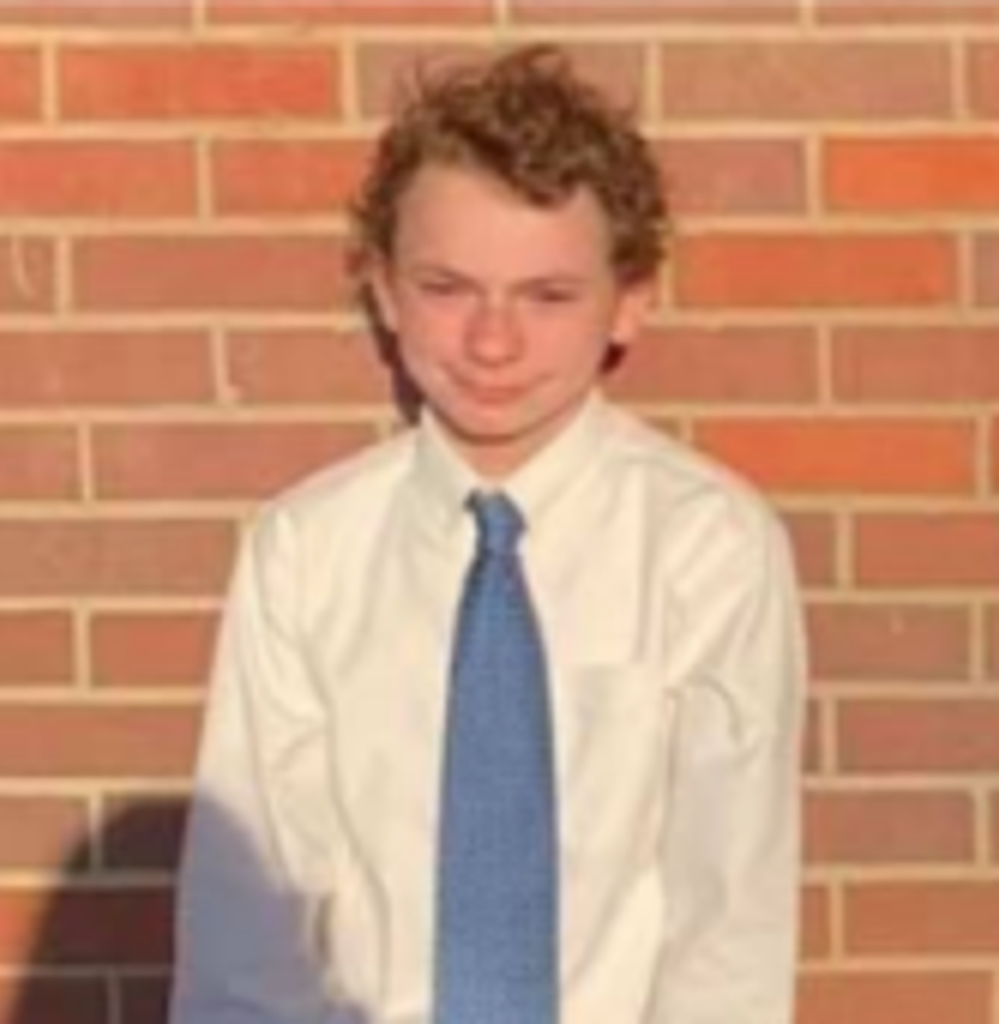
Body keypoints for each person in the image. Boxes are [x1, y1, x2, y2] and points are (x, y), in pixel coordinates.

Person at [171, 44, 806, 1024]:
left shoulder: (705, 548)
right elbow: (248, 925)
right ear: (384, 288)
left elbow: (728, 909)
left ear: (630, 301)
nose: (493, 342)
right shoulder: (308, 552)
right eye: (447, 287)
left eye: (548, 296)